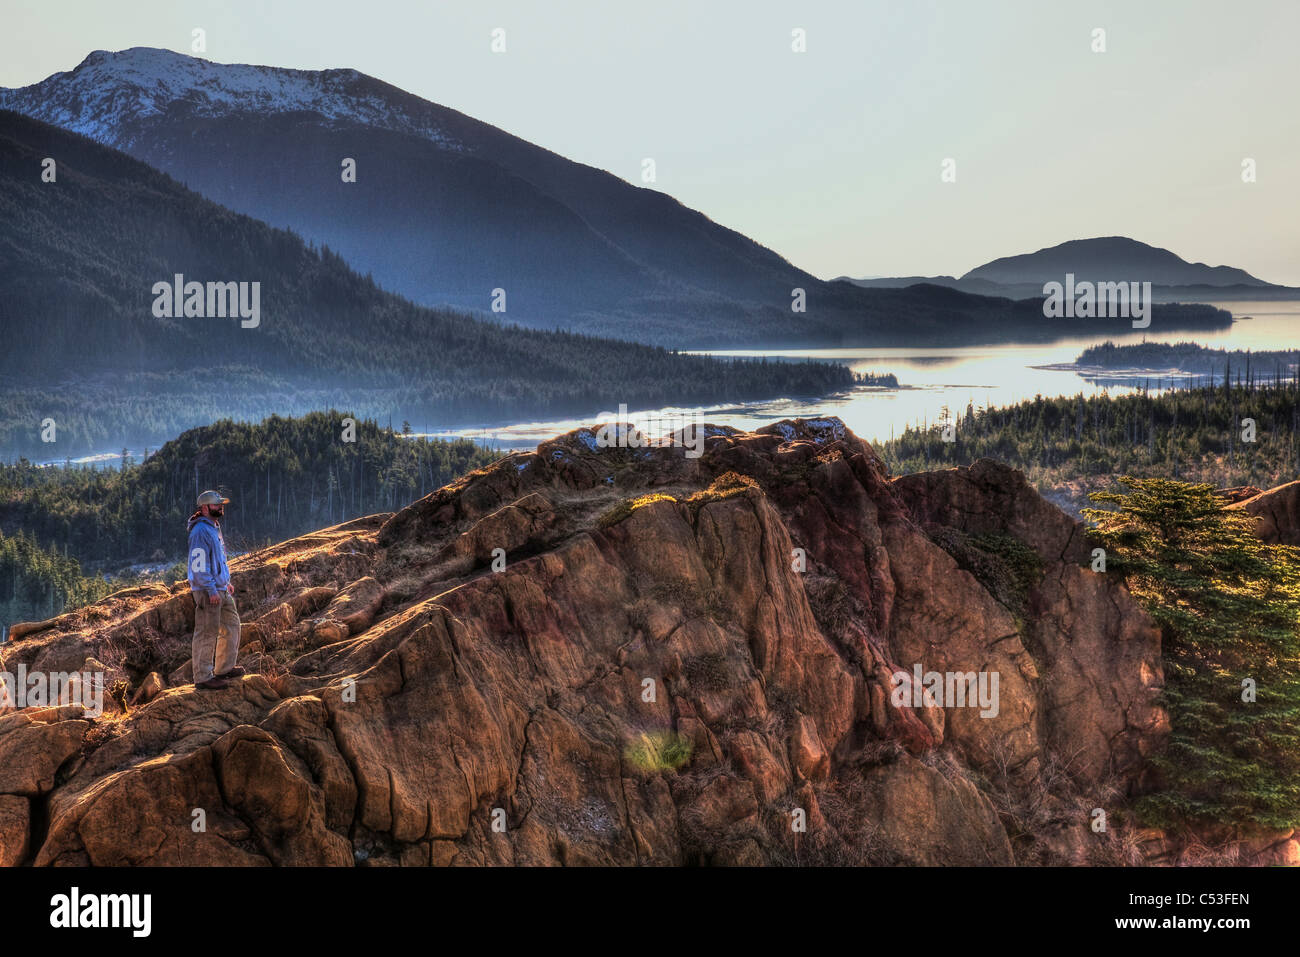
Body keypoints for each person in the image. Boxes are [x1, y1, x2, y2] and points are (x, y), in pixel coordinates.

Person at [187, 490, 245, 689]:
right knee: (207, 632)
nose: (220, 507)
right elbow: (199, 566)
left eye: (221, 504)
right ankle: (203, 677)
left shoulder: (213, 527)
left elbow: (218, 560)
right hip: (207, 590)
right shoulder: (200, 531)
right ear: (204, 508)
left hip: (220, 588)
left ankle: (224, 669)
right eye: (216, 504)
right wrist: (211, 589)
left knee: (232, 625)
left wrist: (225, 582)